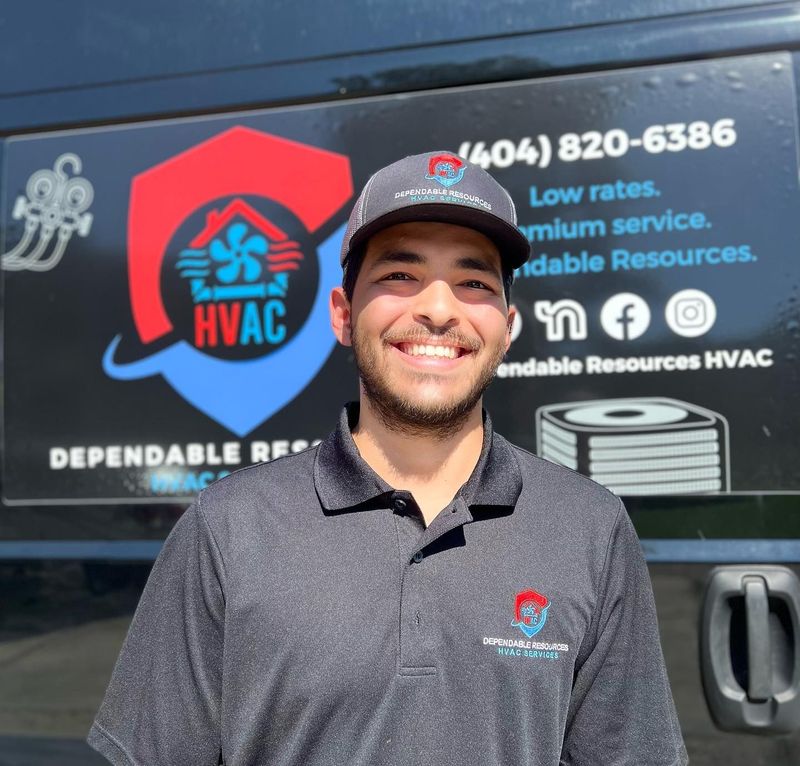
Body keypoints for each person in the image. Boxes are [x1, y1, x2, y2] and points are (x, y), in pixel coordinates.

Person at [88, 151, 688, 766]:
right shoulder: (228, 528)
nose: (437, 308)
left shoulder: (590, 526)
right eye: (400, 276)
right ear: (344, 316)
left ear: (507, 329)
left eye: (473, 282)